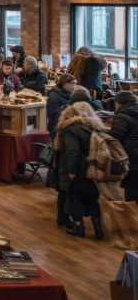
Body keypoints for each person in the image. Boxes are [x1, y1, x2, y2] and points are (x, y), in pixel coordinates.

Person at [56, 102, 106, 239]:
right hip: (96, 169)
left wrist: (71, 171)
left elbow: (73, 151)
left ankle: (79, 228)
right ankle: (98, 228)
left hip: (80, 169)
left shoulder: (71, 129)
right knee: (93, 197)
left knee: (75, 198)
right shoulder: (98, 126)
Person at [110, 91, 138, 203]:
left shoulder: (122, 116)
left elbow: (116, 136)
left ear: (119, 103)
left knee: (132, 186)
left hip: (130, 155)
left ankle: (133, 214)